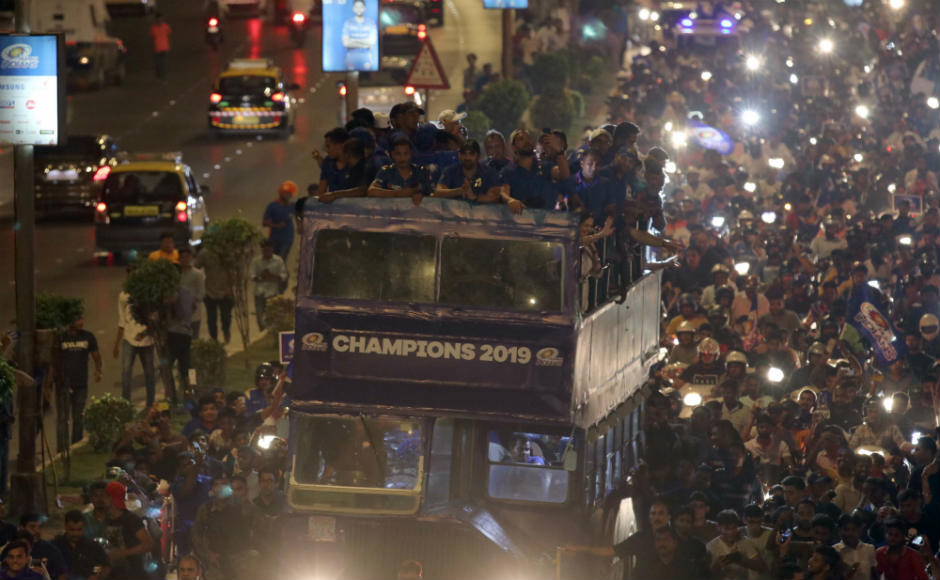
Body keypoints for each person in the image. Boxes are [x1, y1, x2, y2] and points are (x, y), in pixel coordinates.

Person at [115, 264, 156, 406]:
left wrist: (147, 332)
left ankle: (151, 403)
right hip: (128, 339)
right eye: (130, 275)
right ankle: (125, 403)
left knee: (150, 373)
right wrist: (117, 344)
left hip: (147, 341)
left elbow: (155, 318)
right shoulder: (123, 295)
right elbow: (121, 320)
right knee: (126, 373)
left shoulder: (149, 295)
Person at [59, 317, 101, 444]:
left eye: (81, 319)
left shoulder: (88, 336)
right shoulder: (61, 338)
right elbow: (54, 361)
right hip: (64, 384)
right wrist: (48, 385)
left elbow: (96, 356)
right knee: (63, 418)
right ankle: (62, 448)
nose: (81, 322)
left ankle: (75, 444)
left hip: (81, 384)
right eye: (77, 319)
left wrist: (98, 371)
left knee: (78, 417)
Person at [367, 137, 431, 204]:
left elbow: (433, 195)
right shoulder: (386, 171)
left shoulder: (421, 172)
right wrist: (398, 194)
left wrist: (421, 196)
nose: (402, 158)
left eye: (406, 154)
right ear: (392, 154)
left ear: (411, 154)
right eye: (398, 154)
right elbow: (371, 191)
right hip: (391, 212)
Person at [434, 139, 500, 203]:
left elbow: (495, 197)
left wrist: (474, 197)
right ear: (459, 155)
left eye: (471, 154)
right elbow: (438, 192)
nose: (467, 157)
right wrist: (459, 191)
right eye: (464, 154)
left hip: (483, 213)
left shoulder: (489, 172)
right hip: (455, 213)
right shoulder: (450, 171)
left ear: (478, 156)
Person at [52, 510, 110, 580]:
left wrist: (96, 575)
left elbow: (104, 565)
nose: (76, 534)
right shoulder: (55, 546)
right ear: (65, 527)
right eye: (72, 530)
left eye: (79, 530)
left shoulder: (93, 546)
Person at [195, 247, 233, 344]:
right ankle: (214, 340)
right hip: (210, 291)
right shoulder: (205, 253)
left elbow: (234, 266)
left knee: (226, 317)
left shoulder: (226, 251)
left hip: (226, 290)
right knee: (211, 319)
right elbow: (196, 266)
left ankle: (226, 332)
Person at [249, 240, 287, 331]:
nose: (267, 253)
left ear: (272, 250)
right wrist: (261, 276)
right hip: (259, 293)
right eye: (265, 251)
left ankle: (269, 333)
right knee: (259, 316)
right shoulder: (256, 261)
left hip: (273, 292)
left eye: (269, 250)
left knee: (272, 316)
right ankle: (262, 330)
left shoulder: (278, 260)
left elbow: (283, 276)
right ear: (262, 250)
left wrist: (272, 276)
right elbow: (251, 276)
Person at [18, 514, 68, 580]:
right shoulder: (9, 549)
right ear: (22, 528)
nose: (37, 531)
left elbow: (62, 574)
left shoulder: (50, 549)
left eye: (40, 527)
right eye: (32, 527)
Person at [262, 181, 297, 262]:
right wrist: (276, 225)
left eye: (289, 193)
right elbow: (264, 222)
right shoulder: (273, 206)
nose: (287, 195)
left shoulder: (293, 206)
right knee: (273, 260)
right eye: (285, 192)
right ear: (280, 192)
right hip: (274, 239)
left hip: (288, 239)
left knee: (282, 260)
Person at [341, 0, 378, 71]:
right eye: (356, 7)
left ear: (364, 8)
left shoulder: (370, 23)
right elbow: (345, 43)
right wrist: (364, 42)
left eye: (360, 7)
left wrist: (353, 40)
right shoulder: (348, 23)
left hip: (366, 57)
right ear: (353, 8)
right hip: (351, 57)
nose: (358, 9)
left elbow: (371, 42)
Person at [179, 247, 206, 338]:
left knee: (194, 339)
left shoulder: (197, 274)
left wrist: (191, 301)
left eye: (187, 257)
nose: (185, 259)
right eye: (182, 257)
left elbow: (201, 293)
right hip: (180, 314)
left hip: (194, 313)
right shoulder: (177, 274)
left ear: (191, 258)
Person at [149, 12, 171, 80]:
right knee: (159, 63)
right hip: (158, 47)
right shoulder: (154, 28)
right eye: (158, 19)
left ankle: (163, 75)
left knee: (163, 62)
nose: (159, 20)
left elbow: (168, 33)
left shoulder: (165, 26)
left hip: (164, 47)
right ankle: (160, 74)